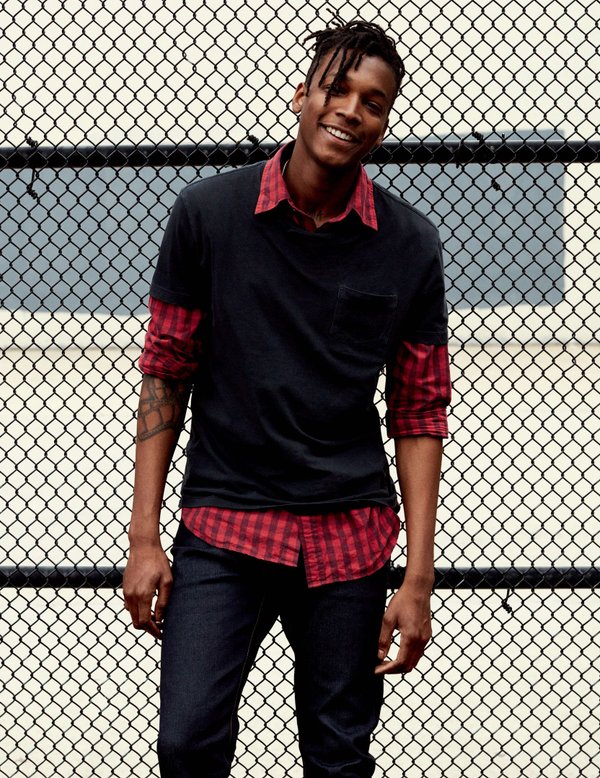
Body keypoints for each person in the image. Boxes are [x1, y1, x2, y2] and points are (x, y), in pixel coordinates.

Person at [123, 18, 451, 778]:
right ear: (303, 95)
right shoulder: (208, 214)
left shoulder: (409, 243)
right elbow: (166, 368)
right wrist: (144, 539)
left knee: (338, 757)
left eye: (373, 101)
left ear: (385, 122)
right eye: (337, 89)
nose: (351, 110)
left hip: (349, 533)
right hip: (225, 523)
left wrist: (417, 577)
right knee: (187, 744)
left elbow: (419, 407)